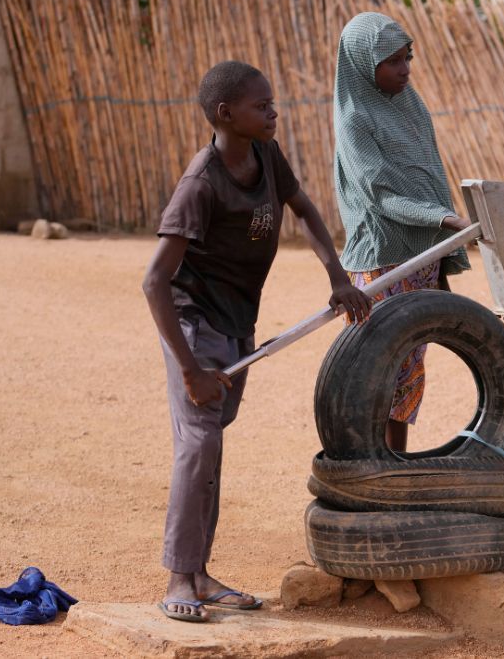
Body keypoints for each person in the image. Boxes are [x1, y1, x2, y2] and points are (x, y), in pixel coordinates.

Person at [143, 60, 371, 623]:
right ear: (226, 114)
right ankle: (179, 576)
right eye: (261, 105)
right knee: (198, 446)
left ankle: (199, 575)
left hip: (237, 327)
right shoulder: (200, 183)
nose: (274, 112)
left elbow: (305, 209)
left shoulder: (266, 156)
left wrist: (337, 277)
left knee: (212, 448)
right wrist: (191, 368)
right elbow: (154, 281)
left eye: (272, 103)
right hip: (194, 328)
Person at [332, 12, 471, 454]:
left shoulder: (412, 106)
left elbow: (430, 175)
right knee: (377, 366)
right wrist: (446, 220)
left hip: (422, 257)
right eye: (391, 61)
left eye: (407, 57)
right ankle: (366, 464)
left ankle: (396, 463)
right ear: (361, 64)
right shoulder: (355, 120)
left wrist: (443, 244)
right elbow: (380, 197)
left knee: (409, 366)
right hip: (382, 261)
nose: (405, 69)